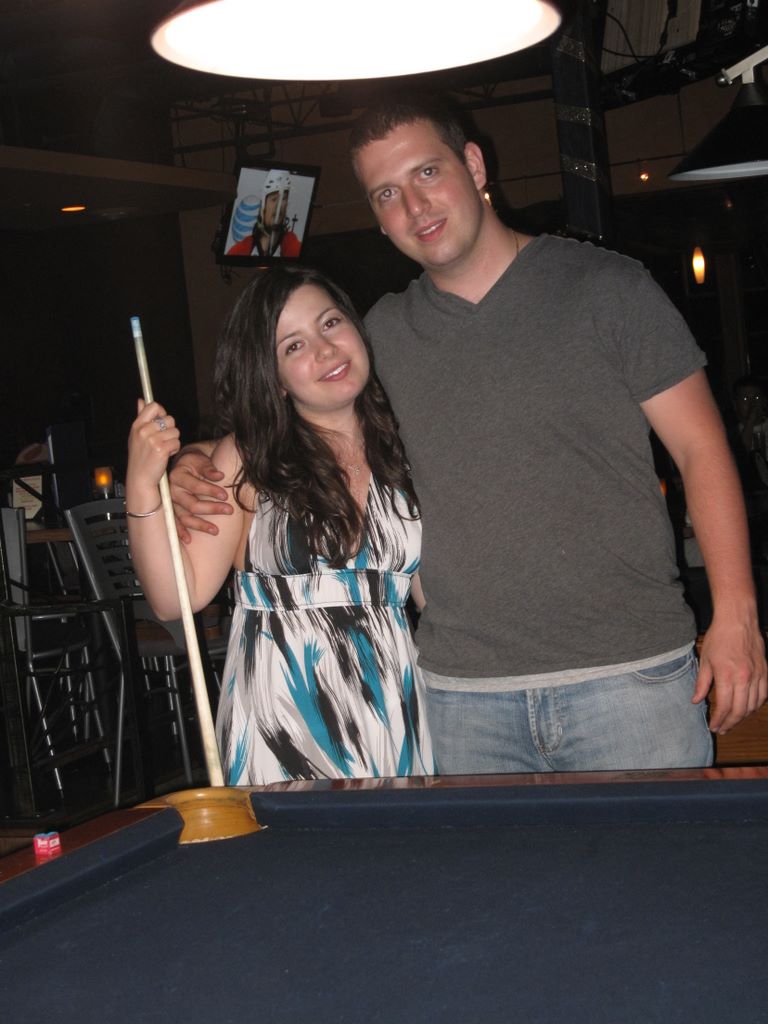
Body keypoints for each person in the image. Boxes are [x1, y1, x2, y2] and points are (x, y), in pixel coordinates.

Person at [169, 93, 767, 775]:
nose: (414, 206)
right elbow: (293, 417)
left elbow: (700, 449)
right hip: (462, 701)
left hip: (629, 679)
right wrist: (196, 459)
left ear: (475, 166)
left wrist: (737, 615)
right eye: (387, 193)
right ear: (378, 218)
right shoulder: (379, 338)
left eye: (427, 172)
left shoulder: (608, 288)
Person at [126, 265, 433, 785]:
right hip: (283, 723)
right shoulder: (247, 459)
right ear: (273, 378)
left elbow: (435, 599)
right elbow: (175, 598)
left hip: (394, 710)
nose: (325, 349)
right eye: (293, 346)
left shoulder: (405, 451)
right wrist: (141, 483)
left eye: (330, 323)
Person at [226, 169, 302, 258]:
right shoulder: (243, 248)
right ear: (263, 207)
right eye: (274, 199)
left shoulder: (291, 244)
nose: (279, 206)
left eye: (283, 199)